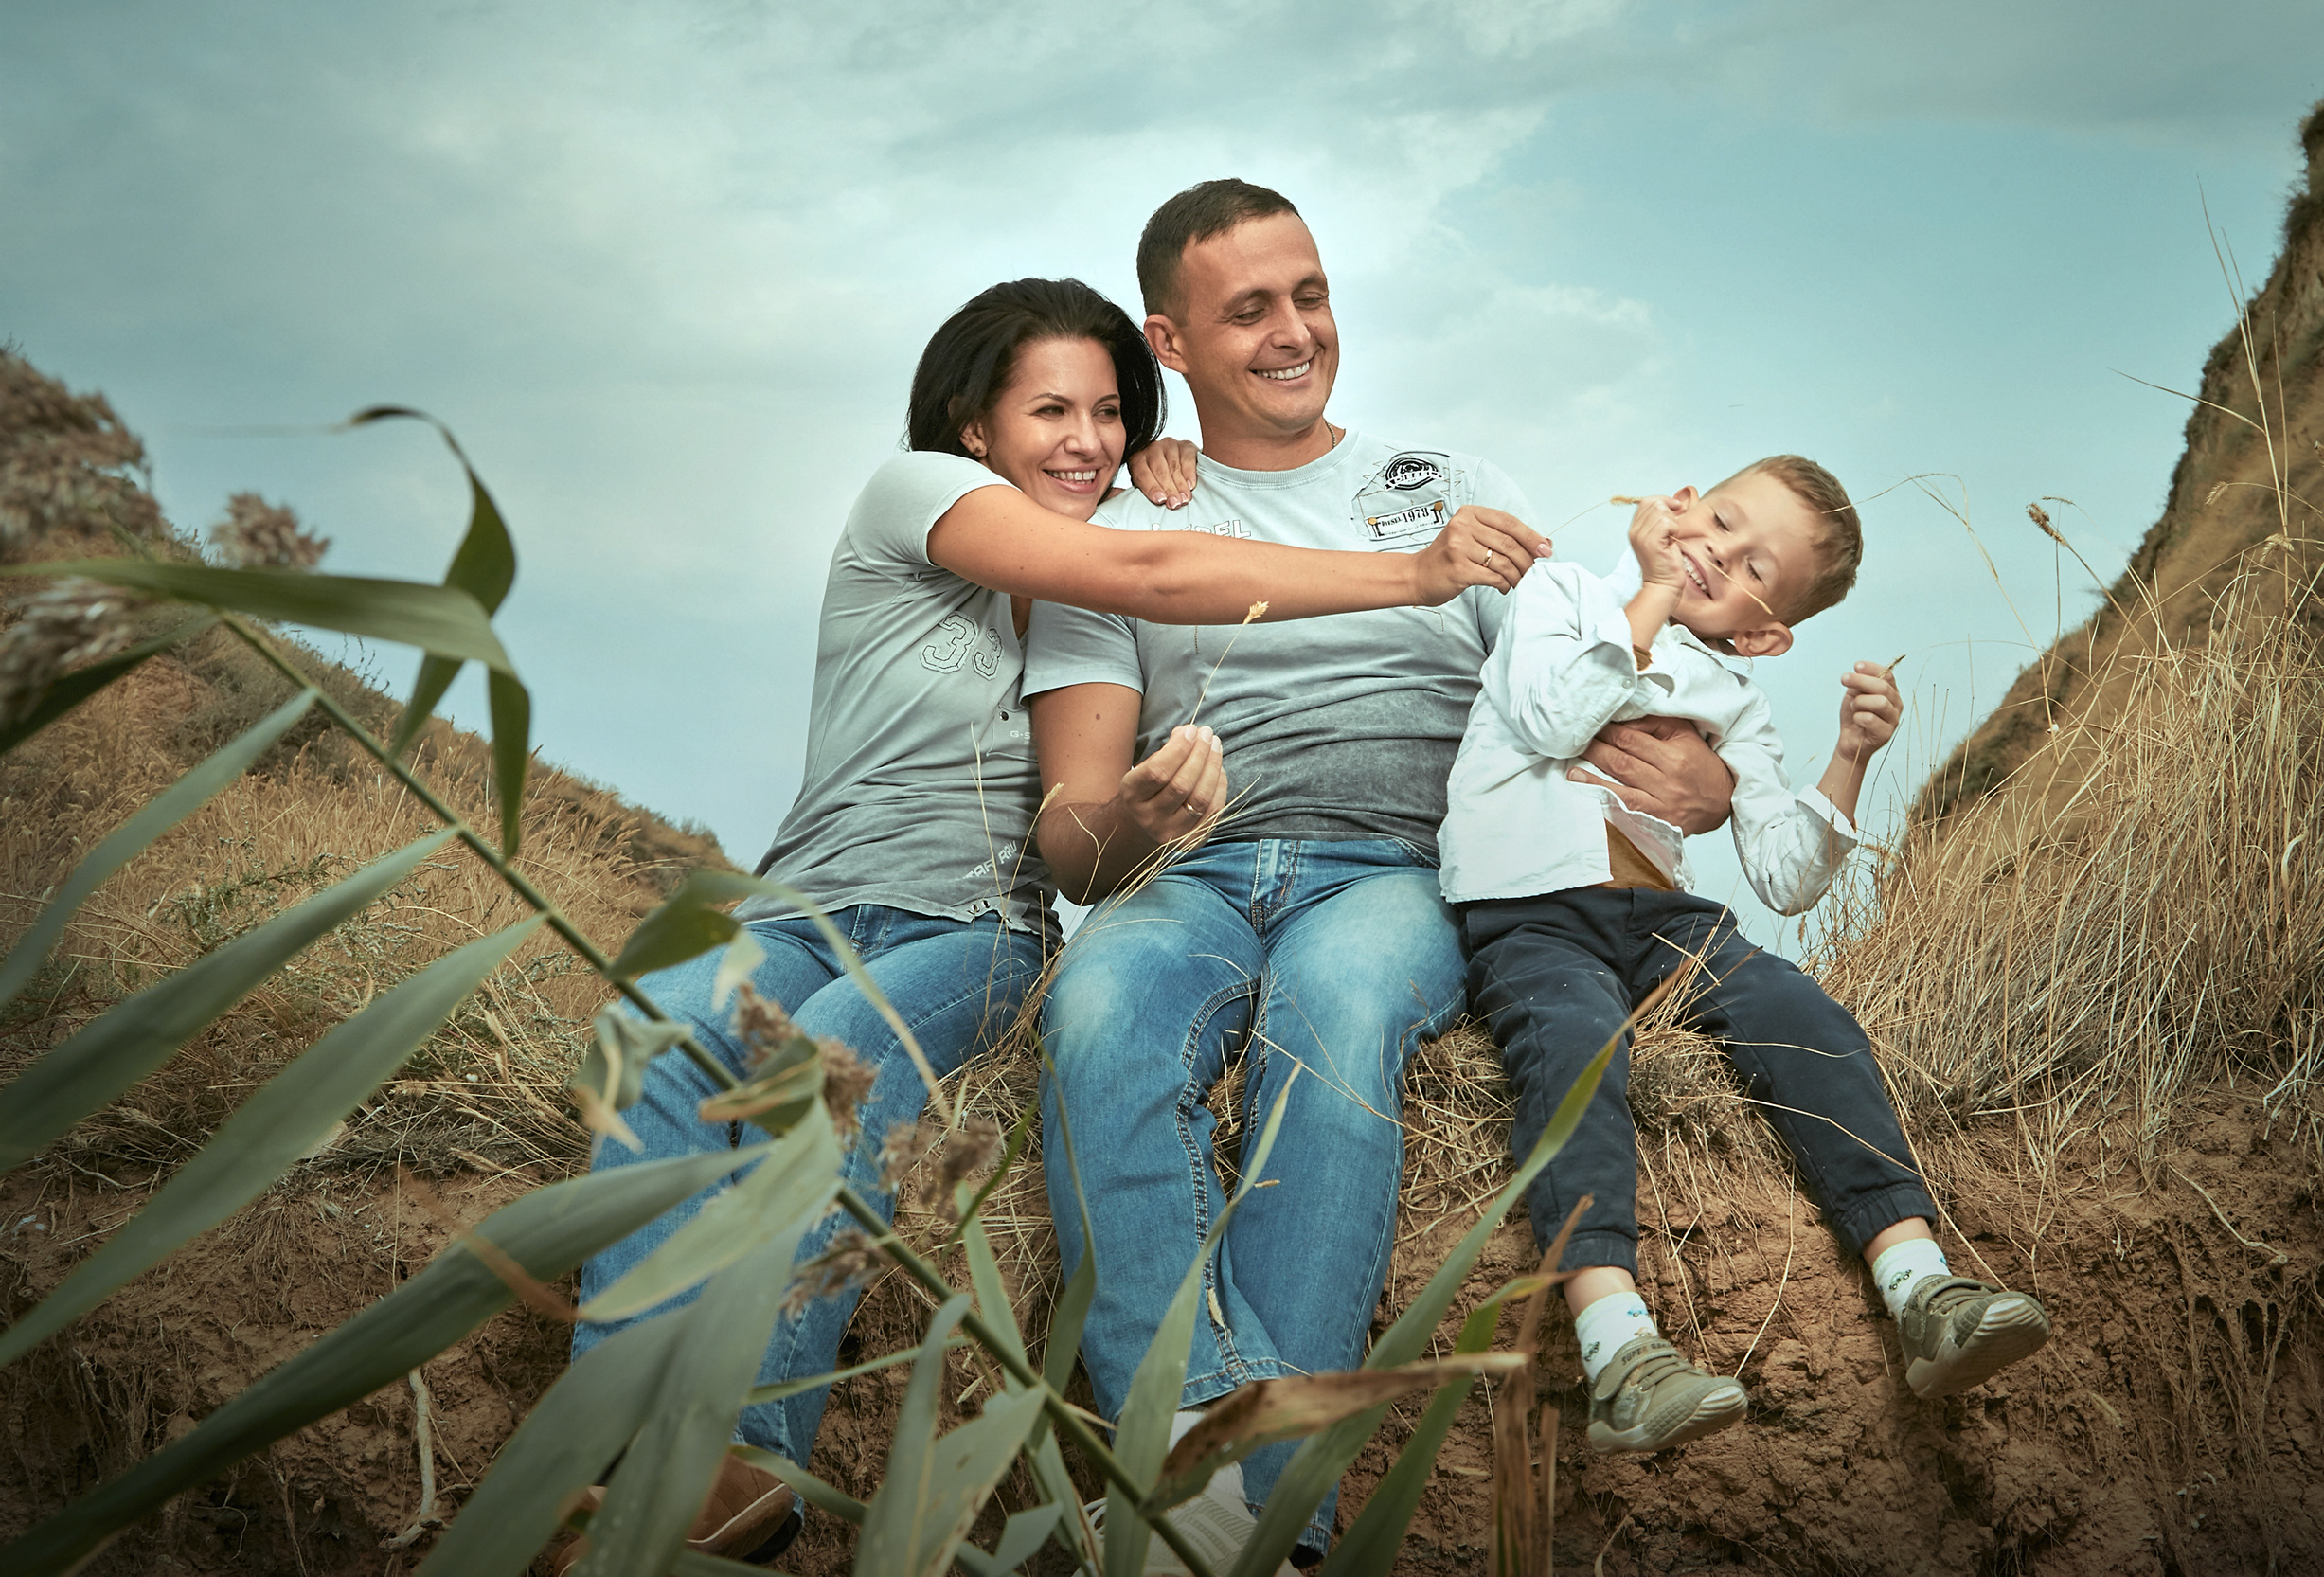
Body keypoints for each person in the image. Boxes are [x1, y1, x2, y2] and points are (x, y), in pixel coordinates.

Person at [551, 276, 1543, 1571]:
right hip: (801, 897)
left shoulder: (1110, 553)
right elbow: (1141, 563)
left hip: (967, 921)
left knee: (829, 1064)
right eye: (1052, 411)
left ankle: (743, 1458)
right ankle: (616, 1451)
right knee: (664, 1025)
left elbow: (1099, 746)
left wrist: (1168, 478)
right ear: (972, 424)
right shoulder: (916, 496)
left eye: (1111, 411)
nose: (1085, 438)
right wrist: (1405, 571)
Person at [1021, 180, 1736, 1570]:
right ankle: (1213, 1463)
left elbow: (1588, 694)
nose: (1296, 332)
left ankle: (1251, 1496)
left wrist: (1703, 782)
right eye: (1249, 311)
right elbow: (1072, 837)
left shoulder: (1457, 487)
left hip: (1395, 866)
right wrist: (1138, 820)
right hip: (1195, 869)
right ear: (1169, 343)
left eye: (1312, 294)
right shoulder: (1115, 523)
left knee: (1339, 1008)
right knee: (1100, 1012)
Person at [1441, 456, 2054, 1459]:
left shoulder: (1738, 696)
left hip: (1656, 916)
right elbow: (1552, 715)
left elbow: (1785, 875)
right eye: (1718, 519)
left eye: (1754, 563)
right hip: (1529, 908)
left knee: (1801, 1013)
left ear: (1766, 634)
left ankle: (1920, 1284)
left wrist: (1849, 759)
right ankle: (1617, 1348)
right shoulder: (1563, 592)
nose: (1717, 550)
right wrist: (1646, 590)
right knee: (1575, 1044)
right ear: (1676, 502)